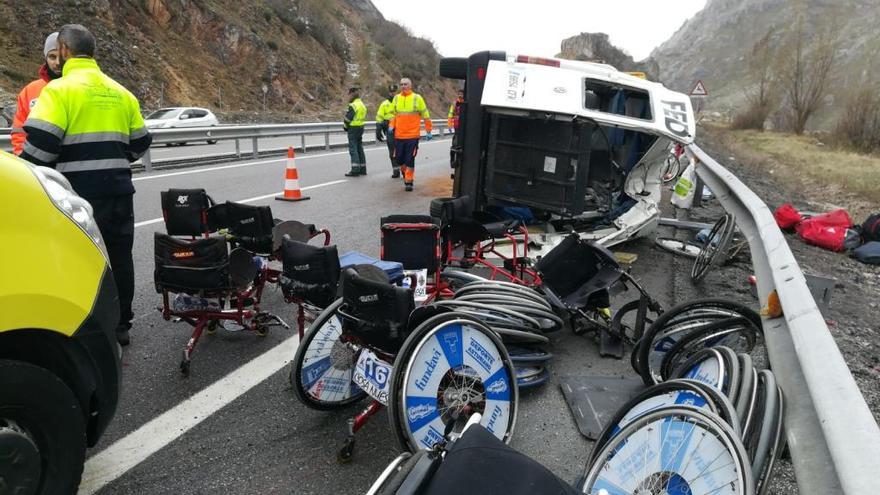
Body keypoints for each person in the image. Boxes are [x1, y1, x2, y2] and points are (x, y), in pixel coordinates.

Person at [19, 24, 152, 347]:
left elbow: (39, 151)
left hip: (77, 197)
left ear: (63, 51)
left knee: (78, 259)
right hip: (120, 192)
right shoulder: (121, 92)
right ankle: (122, 325)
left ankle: (84, 329)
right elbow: (140, 144)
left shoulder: (59, 91)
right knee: (119, 258)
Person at [11, 32, 61, 155]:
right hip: (36, 166)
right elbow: (19, 131)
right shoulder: (30, 90)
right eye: (52, 57)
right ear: (45, 58)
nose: (57, 62)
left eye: (61, 57)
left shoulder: (78, 87)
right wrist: (23, 160)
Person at [388, 78, 432, 192]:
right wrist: (391, 125)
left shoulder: (417, 98)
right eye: (401, 84)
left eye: (406, 84)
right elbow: (393, 114)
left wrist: (428, 130)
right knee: (399, 159)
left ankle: (409, 181)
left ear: (410, 85)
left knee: (409, 159)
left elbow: (425, 114)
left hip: (412, 136)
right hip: (399, 135)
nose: (403, 86)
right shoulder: (396, 98)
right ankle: (405, 173)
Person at [375, 84, 399, 178]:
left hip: (400, 128)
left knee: (401, 150)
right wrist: (378, 127)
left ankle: (405, 170)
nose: (392, 94)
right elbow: (379, 116)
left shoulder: (401, 102)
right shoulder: (384, 104)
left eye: (394, 92)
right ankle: (396, 171)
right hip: (389, 129)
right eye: (391, 92)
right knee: (392, 151)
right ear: (389, 92)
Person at [343, 86, 367, 177]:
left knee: (353, 149)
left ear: (352, 94)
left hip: (353, 128)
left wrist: (345, 127)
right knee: (359, 148)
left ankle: (355, 170)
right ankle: (363, 169)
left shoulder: (353, 105)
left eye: (349, 94)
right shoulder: (361, 104)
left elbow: (348, 119)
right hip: (361, 127)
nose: (348, 96)